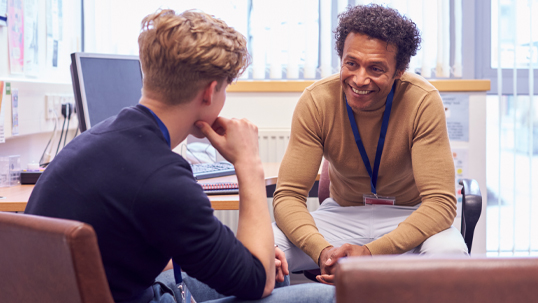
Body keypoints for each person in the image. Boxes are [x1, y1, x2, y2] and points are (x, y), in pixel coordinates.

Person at [25, 9, 334, 303]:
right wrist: (248, 163)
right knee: (332, 295)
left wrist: (251, 258)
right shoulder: (162, 178)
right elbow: (258, 280)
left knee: (277, 273)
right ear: (210, 92)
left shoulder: (99, 137)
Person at [272, 3, 469, 285]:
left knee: (450, 255)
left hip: (408, 217)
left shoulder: (423, 101)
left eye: (375, 68)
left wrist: (371, 252)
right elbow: (288, 196)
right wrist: (323, 251)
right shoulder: (317, 101)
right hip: (341, 217)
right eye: (351, 63)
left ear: (399, 70)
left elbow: (440, 204)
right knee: (263, 248)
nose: (359, 79)